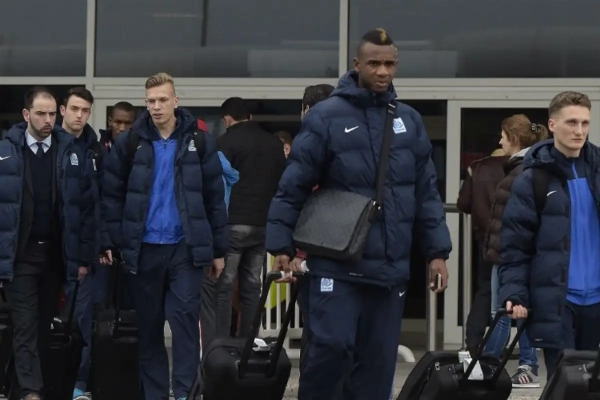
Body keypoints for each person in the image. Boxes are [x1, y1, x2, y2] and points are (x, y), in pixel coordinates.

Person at [266, 29, 452, 400]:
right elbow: (294, 184)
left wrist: (437, 253)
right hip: (337, 261)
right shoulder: (326, 117)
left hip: (390, 269)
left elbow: (426, 193)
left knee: (377, 366)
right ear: (357, 64)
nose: (383, 71)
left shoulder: (409, 121)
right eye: (374, 63)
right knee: (330, 349)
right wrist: (281, 245)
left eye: (390, 64)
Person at [103, 72, 229, 400]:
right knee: (149, 329)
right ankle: (156, 394)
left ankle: (186, 393)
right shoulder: (130, 141)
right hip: (144, 248)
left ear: (176, 101)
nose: (156, 107)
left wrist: (218, 249)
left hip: (184, 248)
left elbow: (214, 198)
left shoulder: (199, 141)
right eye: (151, 101)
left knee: (185, 322)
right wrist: (117, 240)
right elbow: (111, 194)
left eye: (162, 100)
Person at [0, 86, 94, 400]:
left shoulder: (69, 151)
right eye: (41, 113)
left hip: (55, 255)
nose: (48, 120)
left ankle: (19, 386)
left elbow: (85, 206)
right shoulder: (7, 152)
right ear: (26, 114)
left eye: (52, 114)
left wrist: (82, 256)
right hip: (21, 255)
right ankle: (31, 393)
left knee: (42, 327)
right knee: (26, 325)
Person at [500, 91, 600, 379]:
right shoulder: (533, 179)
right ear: (552, 125)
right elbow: (516, 245)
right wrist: (515, 293)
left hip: (597, 301)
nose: (579, 131)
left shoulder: (597, 171)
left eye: (585, 123)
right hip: (558, 300)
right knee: (566, 384)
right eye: (571, 122)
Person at [479, 114, 548, 388]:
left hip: (510, 253)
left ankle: (492, 365)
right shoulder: (521, 168)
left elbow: (517, 218)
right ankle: (509, 364)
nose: (499, 142)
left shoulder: (523, 171)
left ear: (515, 139)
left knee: (505, 311)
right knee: (512, 311)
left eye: (503, 136)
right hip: (508, 252)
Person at [213, 97, 286, 339]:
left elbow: (216, 185)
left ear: (227, 119)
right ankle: (248, 342)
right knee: (252, 285)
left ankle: (221, 344)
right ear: (250, 117)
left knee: (224, 285)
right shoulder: (274, 144)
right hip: (263, 223)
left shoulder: (224, 143)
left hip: (233, 223)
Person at [60, 87, 113, 400]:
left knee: (82, 319)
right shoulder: (51, 144)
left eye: (85, 110)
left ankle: (77, 384)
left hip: (83, 252)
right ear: (63, 110)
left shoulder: (94, 149)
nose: (79, 115)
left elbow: (100, 202)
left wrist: (102, 243)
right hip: (49, 249)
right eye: (74, 109)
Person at [457, 148, 508, 355]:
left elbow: (463, 203)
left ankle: (473, 342)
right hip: (516, 238)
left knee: (486, 290)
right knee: (518, 292)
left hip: (487, 239)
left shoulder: (477, 169)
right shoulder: (518, 168)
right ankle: (521, 354)